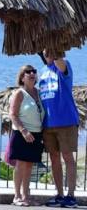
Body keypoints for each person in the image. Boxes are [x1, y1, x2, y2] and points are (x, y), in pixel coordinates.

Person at [39, 50, 79, 208]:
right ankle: (60, 194)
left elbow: (60, 63)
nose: (46, 52)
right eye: (44, 50)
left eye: (48, 50)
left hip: (66, 121)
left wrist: (54, 50)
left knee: (68, 157)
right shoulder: (42, 71)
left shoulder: (63, 65)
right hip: (48, 124)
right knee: (54, 159)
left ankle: (71, 196)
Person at [10, 64, 45, 207]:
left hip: (36, 134)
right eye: (27, 72)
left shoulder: (38, 92)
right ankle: (17, 196)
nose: (31, 73)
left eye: (34, 71)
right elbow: (13, 115)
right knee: (20, 164)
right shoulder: (19, 93)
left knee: (29, 166)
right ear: (22, 77)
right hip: (22, 133)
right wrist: (24, 131)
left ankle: (26, 196)